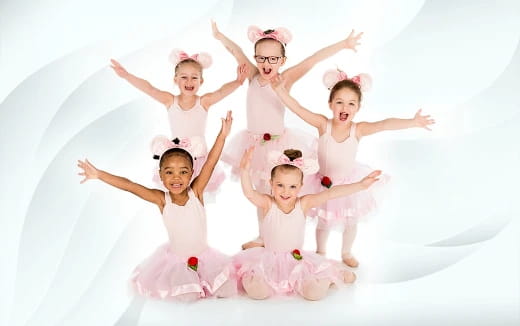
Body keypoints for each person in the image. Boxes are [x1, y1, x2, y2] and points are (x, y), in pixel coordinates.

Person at [212, 21, 363, 249]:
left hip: (278, 144)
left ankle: (285, 235)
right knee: (261, 194)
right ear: (255, 58)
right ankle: (264, 237)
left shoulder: (285, 79)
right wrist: (219, 36)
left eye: (273, 58)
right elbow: (236, 51)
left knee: (280, 191)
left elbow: (312, 59)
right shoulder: (253, 76)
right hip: (253, 143)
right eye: (261, 57)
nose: (266, 63)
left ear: (282, 61)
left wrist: (344, 44)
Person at [271, 69, 435, 267]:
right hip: (323, 183)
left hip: (349, 182)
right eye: (339, 102)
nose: (344, 107)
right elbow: (298, 108)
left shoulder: (358, 129)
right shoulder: (323, 124)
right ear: (330, 104)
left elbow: (384, 124)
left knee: (351, 221)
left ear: (357, 108)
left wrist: (412, 122)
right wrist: (280, 91)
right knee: (323, 221)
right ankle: (321, 250)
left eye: (351, 103)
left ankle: (346, 252)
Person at [77, 111, 237, 301]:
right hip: (178, 261)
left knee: (225, 289)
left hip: (204, 257)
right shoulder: (162, 199)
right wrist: (99, 174)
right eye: (169, 172)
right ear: (160, 175)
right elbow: (130, 186)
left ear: (192, 173)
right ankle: (190, 282)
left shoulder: (197, 192)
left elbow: (210, 162)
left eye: (183, 172)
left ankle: (203, 280)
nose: (176, 177)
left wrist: (223, 135)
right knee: (189, 296)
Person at [234, 147, 381, 300]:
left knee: (313, 294)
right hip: (268, 260)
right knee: (258, 293)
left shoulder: (303, 203)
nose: (286, 192)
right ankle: (252, 280)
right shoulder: (267, 203)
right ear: (271, 183)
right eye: (280, 185)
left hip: (296, 261)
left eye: (292, 186)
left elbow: (331, 193)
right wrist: (244, 170)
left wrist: (361, 185)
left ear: (301, 186)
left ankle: (331, 276)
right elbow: (249, 193)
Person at [110, 50, 247, 192]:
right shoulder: (170, 101)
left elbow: (220, 91)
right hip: (176, 157)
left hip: (198, 157)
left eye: (194, 77)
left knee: (197, 194)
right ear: (175, 80)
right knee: (177, 194)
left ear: (201, 81)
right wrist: (126, 75)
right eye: (184, 77)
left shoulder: (204, 102)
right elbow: (149, 89)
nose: (189, 81)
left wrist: (238, 82)